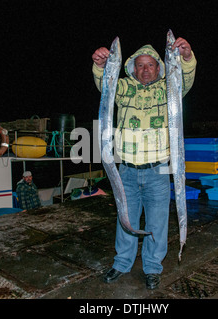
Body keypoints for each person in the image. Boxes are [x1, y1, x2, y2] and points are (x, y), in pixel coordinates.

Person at [92, 37, 197, 289]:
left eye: (150, 65)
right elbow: (104, 86)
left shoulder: (169, 89)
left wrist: (186, 58)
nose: (145, 69)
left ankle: (152, 266)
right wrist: (100, 66)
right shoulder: (124, 88)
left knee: (157, 222)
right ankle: (121, 263)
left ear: (159, 68)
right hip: (126, 169)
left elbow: (186, 78)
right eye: (140, 65)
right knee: (125, 219)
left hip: (159, 169)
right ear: (132, 68)